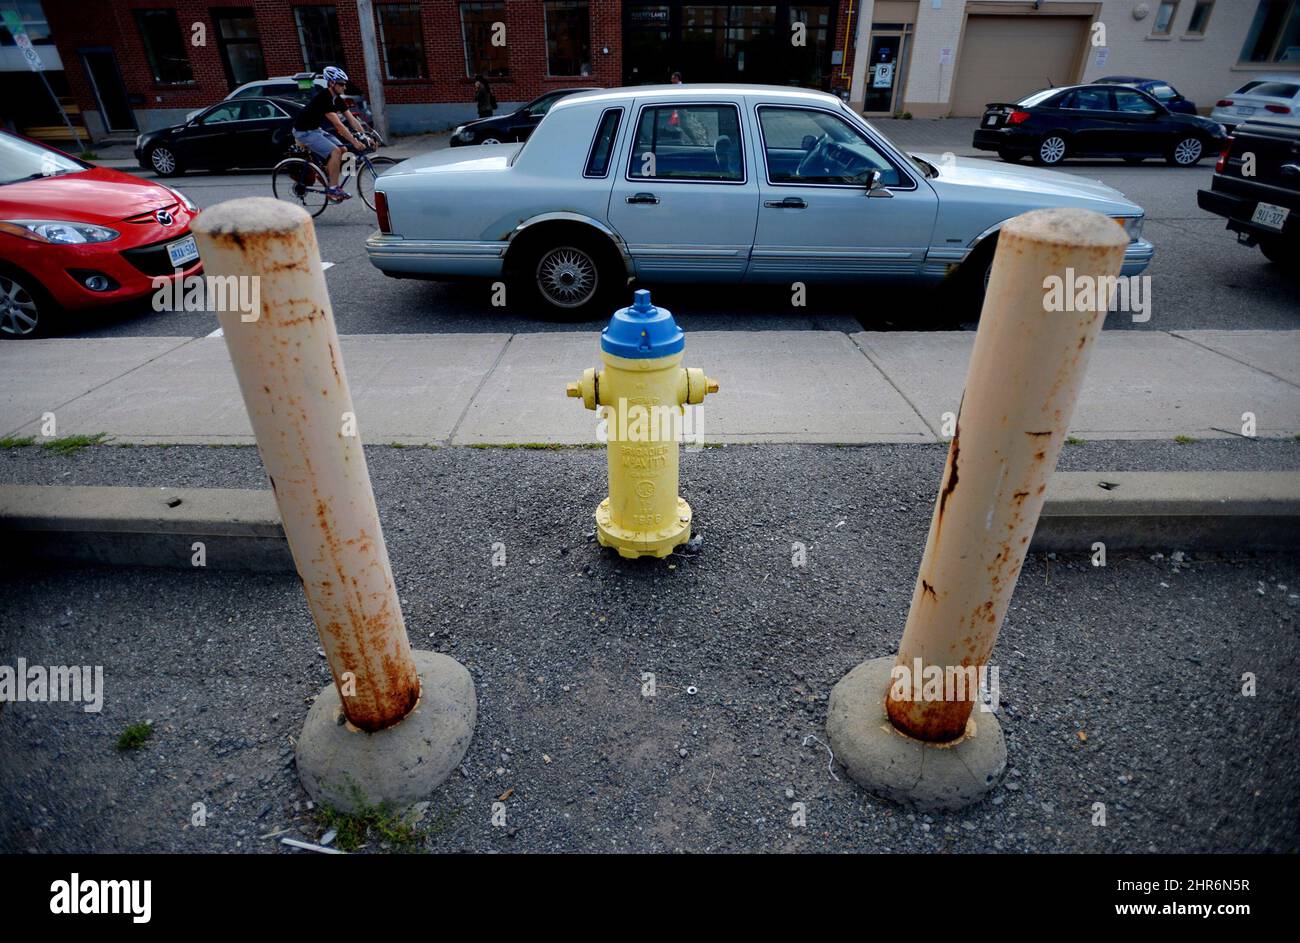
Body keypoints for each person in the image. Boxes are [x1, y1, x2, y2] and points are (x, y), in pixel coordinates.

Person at [291, 66, 367, 202]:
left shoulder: (337, 99)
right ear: (332, 83)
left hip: (315, 129)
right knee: (336, 152)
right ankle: (332, 189)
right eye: (342, 84)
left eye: (345, 84)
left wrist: (365, 136)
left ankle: (326, 173)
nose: (345, 87)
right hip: (303, 132)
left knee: (344, 150)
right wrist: (355, 142)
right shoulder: (324, 98)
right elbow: (339, 126)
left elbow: (352, 119)